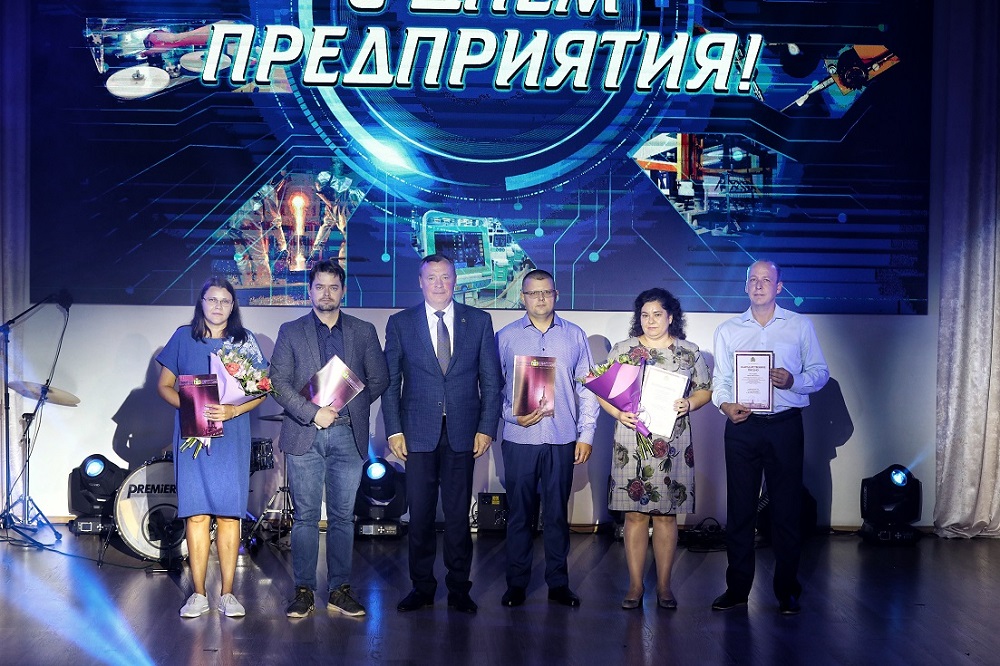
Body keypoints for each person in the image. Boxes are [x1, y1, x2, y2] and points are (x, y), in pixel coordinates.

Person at [383, 254, 503, 615]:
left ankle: (458, 588)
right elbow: (390, 383)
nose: (439, 284)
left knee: (457, 515)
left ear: (456, 280)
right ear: (420, 282)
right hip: (417, 432)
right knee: (419, 515)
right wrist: (394, 431)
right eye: (431, 277)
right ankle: (421, 586)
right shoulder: (401, 323)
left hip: (464, 432)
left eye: (445, 277)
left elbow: (491, 382)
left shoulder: (478, 321)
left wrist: (486, 428)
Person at [268, 260, 389, 618]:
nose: (326, 293)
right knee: (305, 517)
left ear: (343, 291)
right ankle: (303, 590)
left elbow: (379, 378)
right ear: (310, 290)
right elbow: (278, 383)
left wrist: (348, 403)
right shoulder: (291, 331)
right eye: (320, 286)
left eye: (333, 287)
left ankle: (339, 590)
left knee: (342, 517)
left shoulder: (363, 331)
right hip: (304, 433)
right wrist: (313, 412)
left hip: (348, 434)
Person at [711, 260, 829, 615]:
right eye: (753, 279)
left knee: (787, 511)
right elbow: (721, 380)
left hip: (784, 426)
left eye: (767, 280)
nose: (759, 285)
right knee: (740, 510)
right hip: (742, 426)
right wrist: (725, 405)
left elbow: (820, 372)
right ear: (746, 286)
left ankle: (787, 590)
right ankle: (737, 589)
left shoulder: (799, 326)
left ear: (779, 287)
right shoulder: (728, 330)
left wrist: (794, 381)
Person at [157, 277, 268, 618]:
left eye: (225, 300)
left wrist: (232, 410)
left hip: (231, 436)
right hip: (193, 435)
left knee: (229, 513)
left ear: (233, 306)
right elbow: (164, 385)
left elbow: (262, 390)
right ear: (201, 303)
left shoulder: (244, 341)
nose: (218, 306)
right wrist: (192, 407)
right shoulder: (182, 337)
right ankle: (198, 593)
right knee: (197, 514)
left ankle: (228, 593)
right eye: (212, 299)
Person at [599, 288, 712, 610]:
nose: (650, 321)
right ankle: (635, 586)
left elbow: (705, 389)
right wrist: (618, 413)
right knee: (634, 516)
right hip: (631, 440)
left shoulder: (688, 352)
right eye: (645, 315)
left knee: (666, 516)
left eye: (657, 314)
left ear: (671, 317)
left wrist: (690, 403)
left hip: (672, 443)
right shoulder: (623, 350)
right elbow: (602, 391)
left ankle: (664, 586)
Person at [495, 269, 600, 608]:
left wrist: (586, 434)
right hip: (519, 437)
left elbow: (588, 389)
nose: (540, 298)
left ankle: (558, 583)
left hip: (561, 437)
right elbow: (492, 388)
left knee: (556, 514)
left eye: (546, 292)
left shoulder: (574, 335)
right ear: (522, 297)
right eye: (533, 292)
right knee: (519, 515)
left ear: (556, 295)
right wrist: (512, 415)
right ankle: (516, 584)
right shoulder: (505, 337)